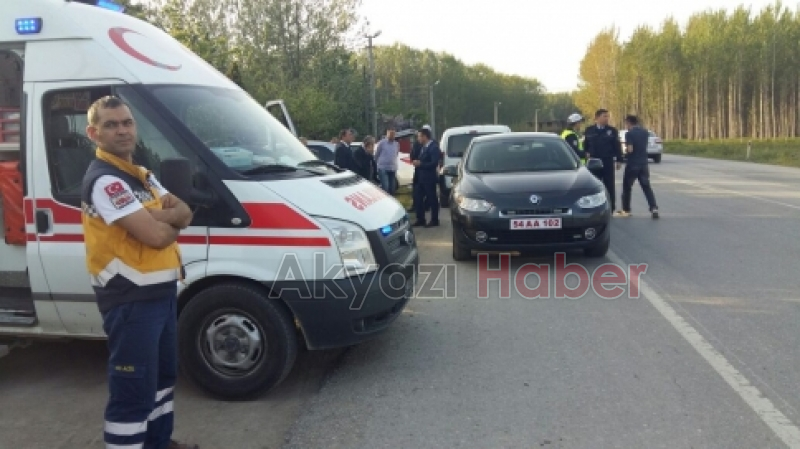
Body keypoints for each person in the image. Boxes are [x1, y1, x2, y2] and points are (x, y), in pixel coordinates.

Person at [80, 96, 198, 449]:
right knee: (133, 391)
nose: (122, 130)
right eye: (111, 125)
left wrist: (156, 217)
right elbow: (157, 236)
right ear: (94, 133)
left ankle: (159, 443)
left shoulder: (143, 177)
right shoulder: (106, 182)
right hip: (130, 301)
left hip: (160, 295)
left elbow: (187, 212)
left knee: (162, 382)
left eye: (127, 122)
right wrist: (166, 221)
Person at [583, 109, 624, 213]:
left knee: (609, 185)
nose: (607, 118)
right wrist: (586, 154)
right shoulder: (589, 130)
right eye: (604, 116)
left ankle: (611, 208)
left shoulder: (612, 131)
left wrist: (619, 159)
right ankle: (593, 208)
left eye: (607, 116)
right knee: (593, 186)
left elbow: (617, 145)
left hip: (607, 161)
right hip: (593, 162)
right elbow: (585, 145)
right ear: (597, 118)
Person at [620, 115, 659, 218]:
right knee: (646, 187)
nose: (626, 126)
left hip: (632, 163)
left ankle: (626, 209)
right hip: (643, 163)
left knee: (627, 187)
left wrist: (625, 151)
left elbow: (630, 149)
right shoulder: (645, 132)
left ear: (629, 122)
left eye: (626, 123)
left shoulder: (629, 134)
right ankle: (653, 208)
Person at [412, 127, 441, 227]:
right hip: (420, 178)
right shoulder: (422, 147)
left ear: (425, 136)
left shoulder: (433, 147)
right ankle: (420, 219)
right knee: (418, 198)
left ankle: (434, 219)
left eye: (420, 136)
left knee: (432, 198)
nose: (418, 139)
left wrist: (421, 164)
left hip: (429, 178)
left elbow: (434, 163)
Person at [375, 127, 399, 194]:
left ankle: (391, 199)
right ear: (387, 134)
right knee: (385, 188)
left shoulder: (396, 144)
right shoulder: (381, 143)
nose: (392, 136)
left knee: (392, 188)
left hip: (392, 168)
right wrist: (376, 165)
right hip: (383, 168)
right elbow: (377, 154)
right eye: (390, 134)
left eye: (393, 134)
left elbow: (396, 154)